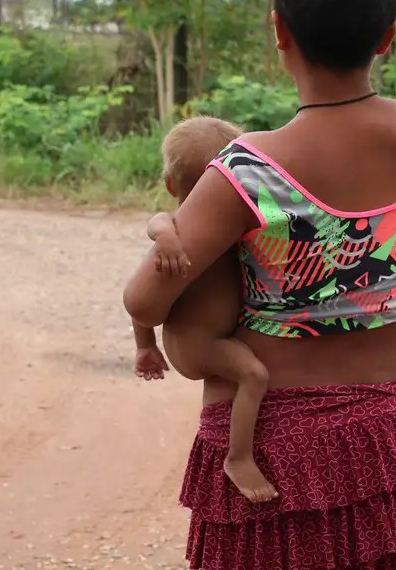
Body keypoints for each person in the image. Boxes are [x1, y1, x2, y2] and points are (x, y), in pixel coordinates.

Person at [122, 0, 396, 570]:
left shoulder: (248, 172)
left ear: (281, 31)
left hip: (269, 457)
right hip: (379, 446)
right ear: (386, 37)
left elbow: (145, 298)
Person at [130, 115, 278, 504]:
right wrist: (164, 237)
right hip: (197, 343)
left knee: (245, 377)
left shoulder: (234, 224)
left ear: (170, 182)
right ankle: (238, 456)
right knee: (254, 375)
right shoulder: (176, 230)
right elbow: (157, 226)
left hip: (210, 336)